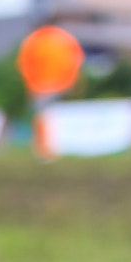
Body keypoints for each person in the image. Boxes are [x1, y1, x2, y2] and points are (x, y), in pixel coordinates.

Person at [16, 24, 84, 160]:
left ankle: (46, 150)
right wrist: (73, 79)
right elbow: (76, 58)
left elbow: (24, 63)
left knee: (44, 117)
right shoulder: (64, 38)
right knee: (50, 116)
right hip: (58, 84)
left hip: (41, 86)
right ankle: (49, 149)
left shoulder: (34, 40)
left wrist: (29, 83)